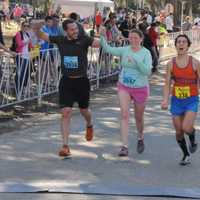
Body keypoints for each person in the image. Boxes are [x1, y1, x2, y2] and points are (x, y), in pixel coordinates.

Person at [34, 19, 100, 157]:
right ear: (66, 31)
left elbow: (100, 44)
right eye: (72, 29)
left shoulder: (84, 40)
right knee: (66, 112)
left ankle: (89, 124)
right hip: (66, 82)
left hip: (82, 81)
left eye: (76, 28)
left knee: (84, 111)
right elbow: (41, 35)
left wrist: (103, 36)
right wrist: (37, 27)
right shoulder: (60, 40)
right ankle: (65, 146)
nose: (75, 31)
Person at [100, 27, 152, 156]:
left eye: (136, 38)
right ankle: (124, 146)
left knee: (138, 118)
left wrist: (137, 60)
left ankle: (140, 137)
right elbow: (108, 49)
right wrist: (102, 36)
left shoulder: (146, 53)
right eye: (131, 37)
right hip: (124, 86)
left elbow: (147, 71)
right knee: (124, 114)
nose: (133, 40)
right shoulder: (125, 50)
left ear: (141, 39)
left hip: (140, 88)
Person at [161, 34, 200, 165]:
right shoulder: (170, 64)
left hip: (191, 100)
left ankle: (192, 135)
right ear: (176, 45)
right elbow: (167, 83)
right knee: (178, 132)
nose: (181, 44)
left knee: (186, 127)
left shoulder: (195, 63)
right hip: (177, 100)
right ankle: (185, 155)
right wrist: (165, 100)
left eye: (184, 42)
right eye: (178, 42)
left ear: (188, 45)